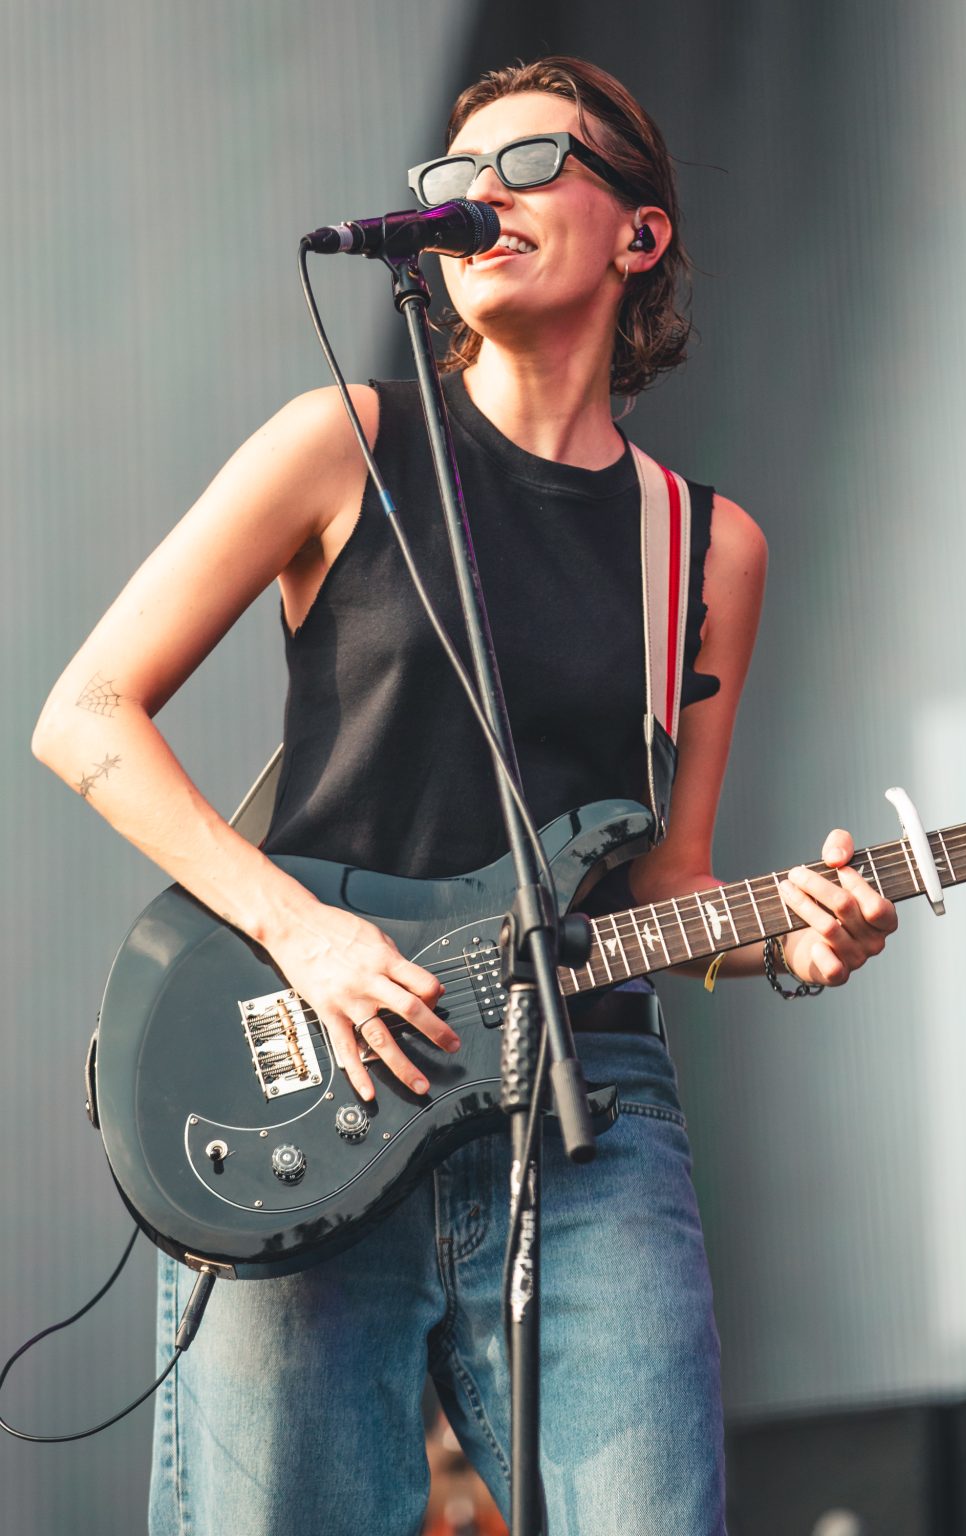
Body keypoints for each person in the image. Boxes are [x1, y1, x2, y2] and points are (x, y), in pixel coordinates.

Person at [32, 56, 898, 1536]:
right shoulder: (344, 443)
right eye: (452, 179)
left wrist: (792, 941)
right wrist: (302, 933)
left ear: (640, 236)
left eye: (532, 163)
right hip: (321, 1062)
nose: (473, 198)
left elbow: (664, 885)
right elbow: (86, 713)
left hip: (588, 1104)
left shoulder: (705, 548)